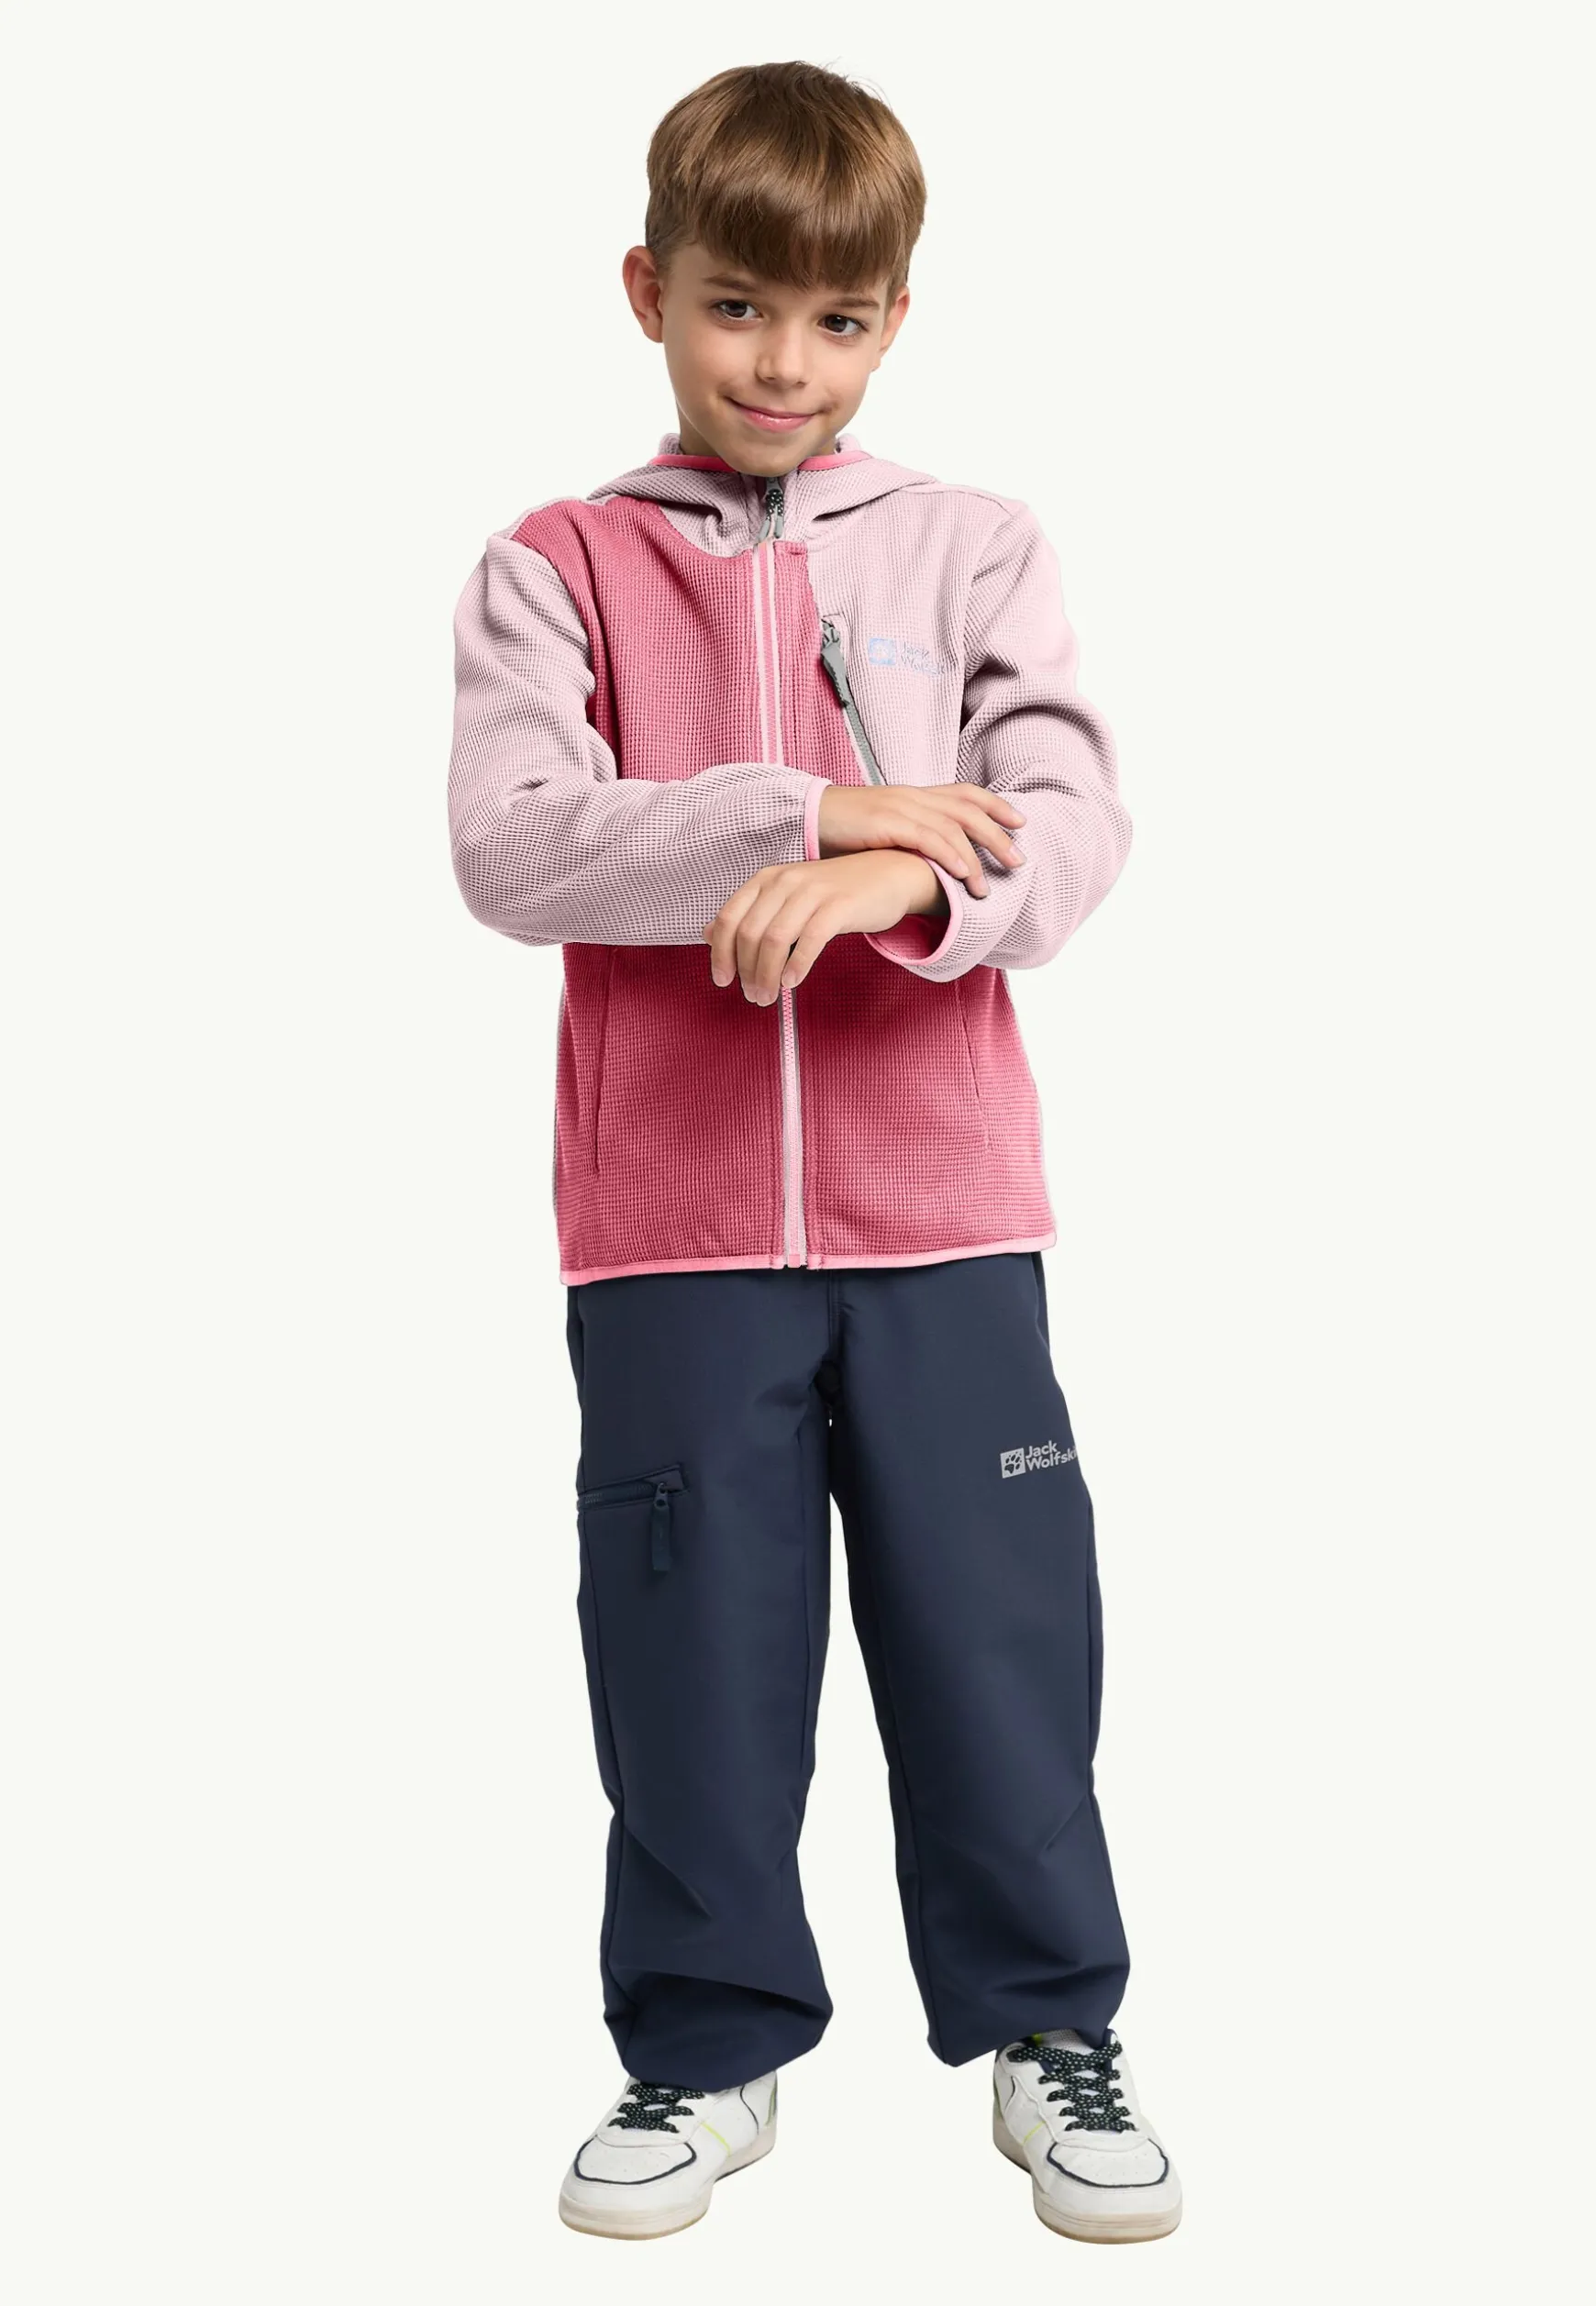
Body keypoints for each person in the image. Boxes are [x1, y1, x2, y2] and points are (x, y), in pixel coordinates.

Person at [447, 58, 1180, 2247]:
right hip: (669, 1236)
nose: (787, 364)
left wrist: (904, 882)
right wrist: (810, 809)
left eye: (839, 321)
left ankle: (1052, 2028)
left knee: (997, 1638)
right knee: (691, 1650)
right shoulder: (560, 566)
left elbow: (1071, 827)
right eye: (741, 308)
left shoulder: (975, 547)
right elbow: (513, 849)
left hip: (946, 1219)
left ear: (894, 320)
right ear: (650, 291)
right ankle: (704, 2048)